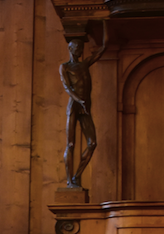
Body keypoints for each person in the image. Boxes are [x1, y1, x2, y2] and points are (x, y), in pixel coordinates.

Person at [59, 22, 108, 189]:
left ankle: (77, 175)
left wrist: (105, 27)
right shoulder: (65, 67)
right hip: (74, 105)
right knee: (70, 144)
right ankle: (69, 181)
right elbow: (67, 87)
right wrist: (78, 100)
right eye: (77, 48)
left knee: (92, 143)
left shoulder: (84, 64)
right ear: (71, 49)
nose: (80, 50)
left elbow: (102, 49)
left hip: (85, 106)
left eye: (81, 47)